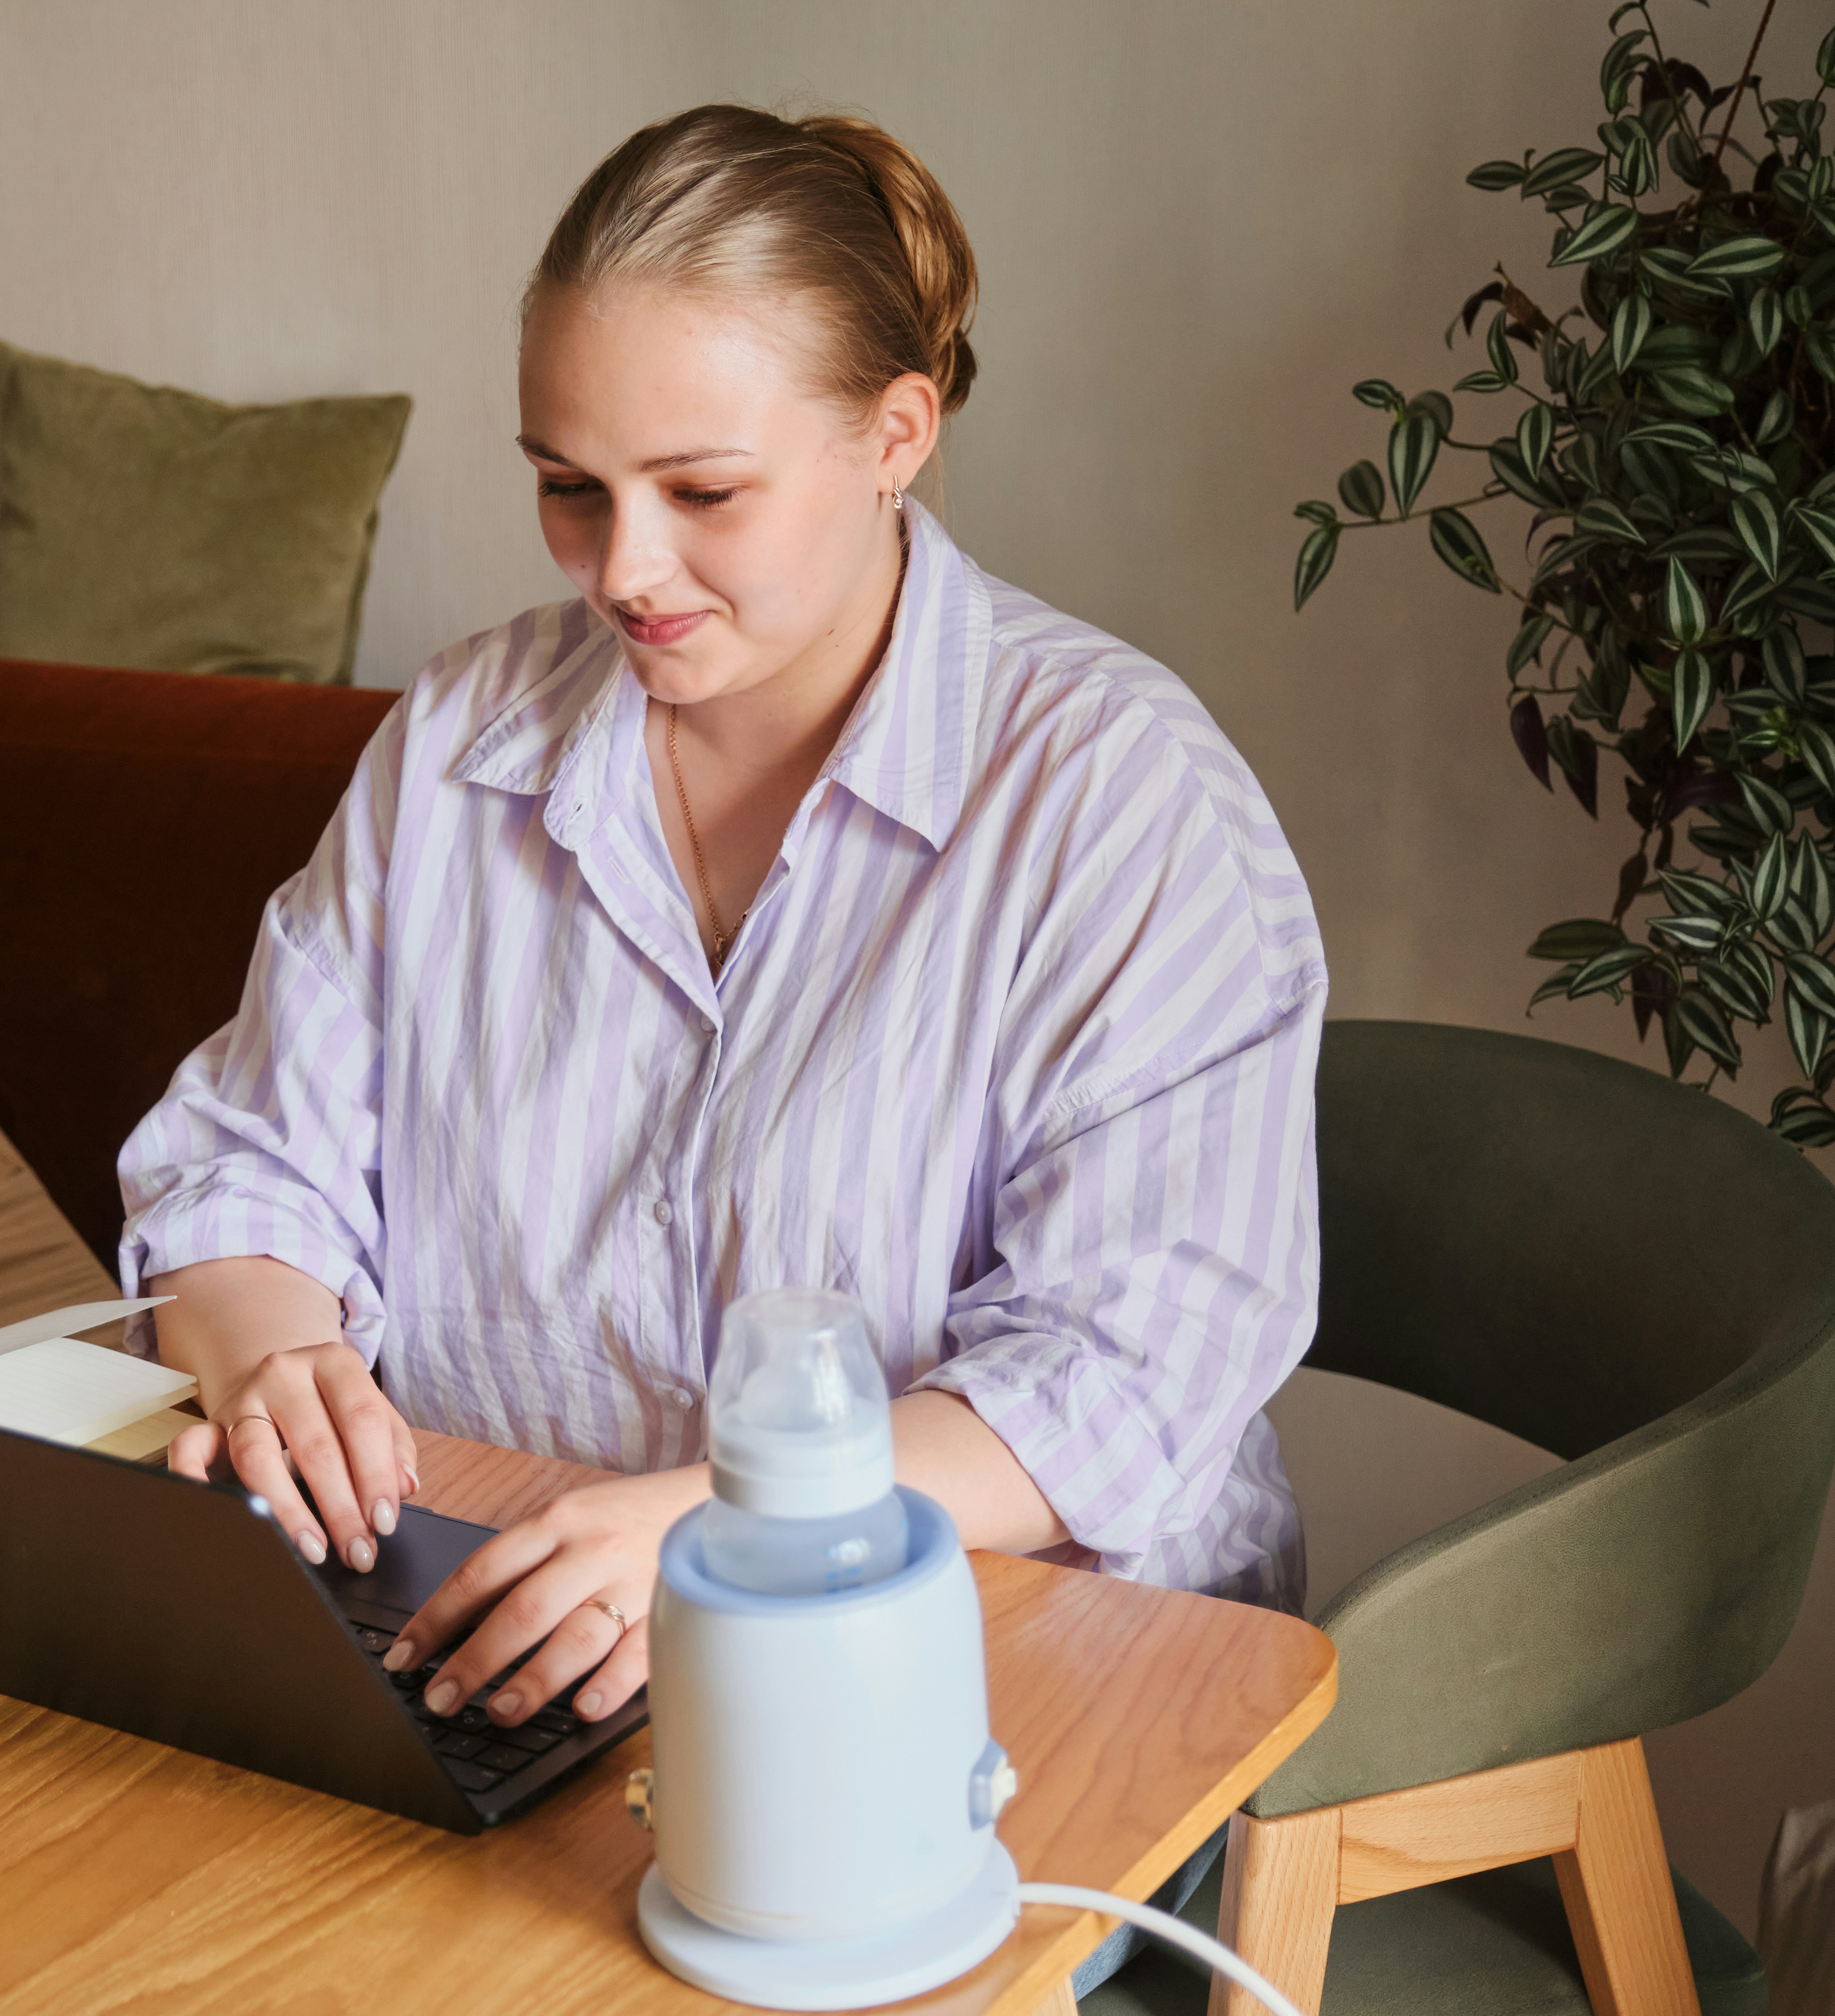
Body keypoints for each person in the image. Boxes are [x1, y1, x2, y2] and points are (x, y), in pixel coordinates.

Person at [116, 104, 1322, 1972]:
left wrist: (708, 1533)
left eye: (703, 492)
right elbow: (245, 1165)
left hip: (993, 1693)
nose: (622, 571)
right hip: (506, 1652)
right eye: (567, 487)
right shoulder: (456, 744)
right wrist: (273, 1355)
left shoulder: (1117, 800)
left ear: (894, 434)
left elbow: (1123, 1370)